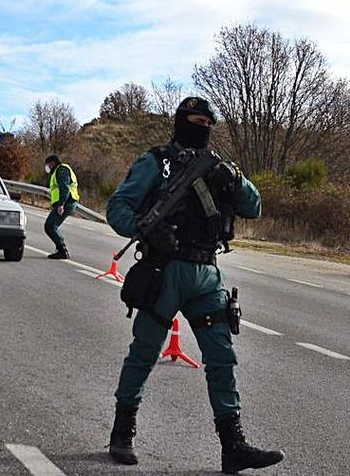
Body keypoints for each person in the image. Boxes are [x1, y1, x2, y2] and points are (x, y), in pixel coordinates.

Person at [105, 97, 284, 474]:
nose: (200, 128)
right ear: (180, 122)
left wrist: (235, 180)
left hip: (207, 273)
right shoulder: (157, 162)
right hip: (164, 271)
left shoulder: (217, 167)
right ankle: (122, 432)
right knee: (144, 353)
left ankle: (233, 446)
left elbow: (254, 206)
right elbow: (118, 208)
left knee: (222, 358)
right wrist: (148, 228)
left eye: (206, 122)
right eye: (194, 121)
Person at [43, 154, 79, 259]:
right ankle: (61, 250)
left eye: (48, 165)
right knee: (51, 226)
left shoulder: (61, 170)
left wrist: (61, 205)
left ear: (53, 163)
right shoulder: (58, 171)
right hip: (66, 203)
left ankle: (63, 251)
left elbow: (65, 189)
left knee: (50, 226)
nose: (48, 167)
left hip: (67, 203)